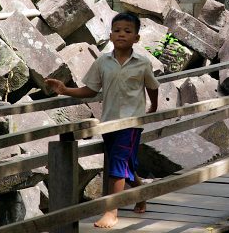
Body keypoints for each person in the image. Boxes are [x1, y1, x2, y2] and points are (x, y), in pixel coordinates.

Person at [45, 12, 159, 229]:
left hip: (131, 123)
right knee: (124, 164)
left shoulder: (143, 63)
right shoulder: (103, 62)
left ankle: (111, 212)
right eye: (117, 30)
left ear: (137, 38)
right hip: (108, 122)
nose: (121, 35)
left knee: (117, 166)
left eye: (127, 31)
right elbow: (90, 90)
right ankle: (141, 193)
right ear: (110, 35)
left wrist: (153, 107)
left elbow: (152, 87)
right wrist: (65, 89)